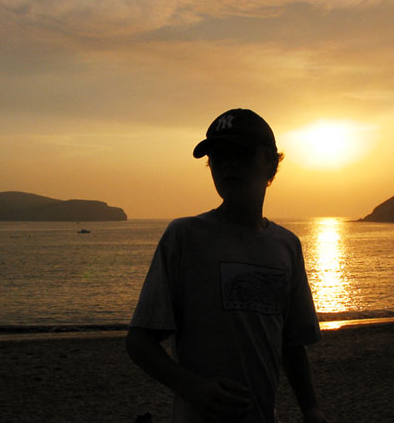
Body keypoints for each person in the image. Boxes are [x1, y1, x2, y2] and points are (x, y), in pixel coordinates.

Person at [126, 109, 327, 423]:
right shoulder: (185, 237)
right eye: (218, 157)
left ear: (272, 163)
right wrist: (192, 387)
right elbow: (139, 342)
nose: (229, 165)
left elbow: (292, 343)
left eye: (242, 154)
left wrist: (311, 410)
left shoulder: (287, 246)